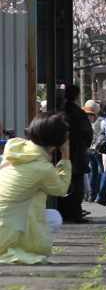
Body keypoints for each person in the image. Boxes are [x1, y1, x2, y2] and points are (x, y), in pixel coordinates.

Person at [0, 112, 73, 264]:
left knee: (51, 216)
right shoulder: (42, 167)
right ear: (58, 140)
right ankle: (20, 246)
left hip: (5, 220)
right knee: (55, 218)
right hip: (5, 231)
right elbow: (61, 189)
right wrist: (66, 156)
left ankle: (21, 242)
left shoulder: (16, 151)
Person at [57, 84, 92, 224]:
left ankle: (63, 212)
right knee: (77, 186)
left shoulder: (61, 113)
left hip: (62, 152)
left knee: (62, 183)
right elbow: (88, 133)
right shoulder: (79, 113)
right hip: (77, 152)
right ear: (77, 97)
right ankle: (76, 213)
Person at [84, 100, 105, 203]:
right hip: (98, 149)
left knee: (92, 172)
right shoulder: (100, 120)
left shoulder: (84, 120)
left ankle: (92, 194)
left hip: (89, 149)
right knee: (101, 171)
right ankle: (100, 194)